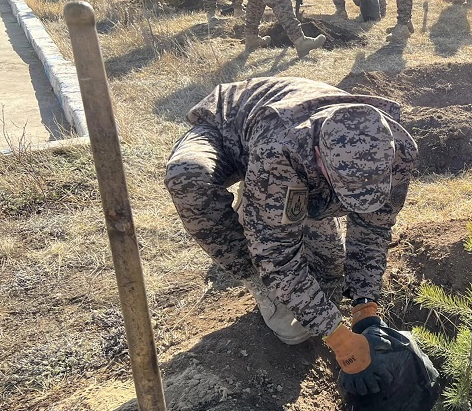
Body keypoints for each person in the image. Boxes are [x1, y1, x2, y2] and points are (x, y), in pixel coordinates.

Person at [164, 77, 418, 392]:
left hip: (288, 167)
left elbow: (374, 228)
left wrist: (365, 306)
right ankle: (255, 261)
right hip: (230, 128)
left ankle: (268, 208)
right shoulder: (281, 150)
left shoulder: (398, 150)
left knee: (329, 282)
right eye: (345, 193)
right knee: (186, 177)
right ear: (320, 160)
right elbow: (276, 256)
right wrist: (336, 336)